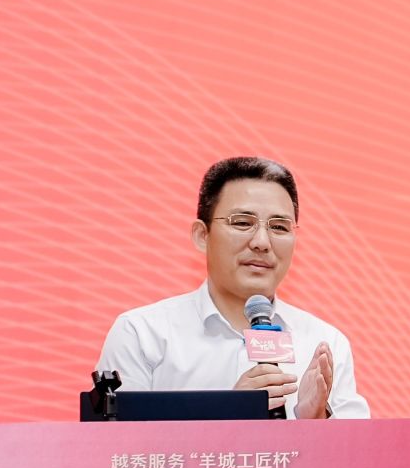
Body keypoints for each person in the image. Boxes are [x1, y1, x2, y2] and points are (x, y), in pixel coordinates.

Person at [98, 156, 368, 418]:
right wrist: (230, 411)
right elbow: (119, 445)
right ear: (202, 235)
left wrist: (314, 423)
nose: (262, 242)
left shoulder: (326, 343)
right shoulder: (143, 334)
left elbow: (362, 447)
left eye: (279, 227)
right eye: (242, 223)